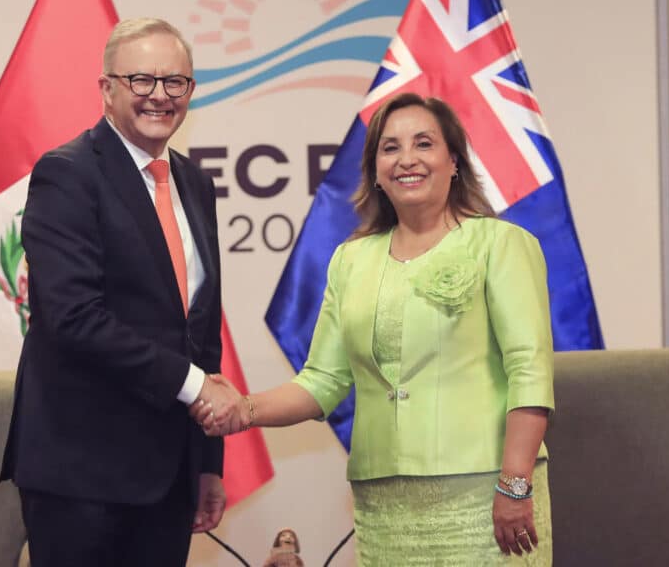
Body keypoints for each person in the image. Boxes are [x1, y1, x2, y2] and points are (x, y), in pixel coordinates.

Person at [197, 93, 555, 565]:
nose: (407, 159)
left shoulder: (501, 244)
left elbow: (529, 372)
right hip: (385, 507)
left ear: (453, 161)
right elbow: (322, 382)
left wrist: (514, 483)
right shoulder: (351, 259)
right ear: (375, 171)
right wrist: (243, 408)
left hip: (485, 496)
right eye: (390, 148)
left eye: (424, 144)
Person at [0, 17, 239, 567]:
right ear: (107, 89)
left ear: (191, 92)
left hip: (167, 475)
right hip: (81, 472)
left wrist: (205, 462)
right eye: (141, 80)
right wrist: (197, 387)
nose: (160, 95)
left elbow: (197, 329)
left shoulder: (194, 183)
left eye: (175, 82)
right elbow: (74, 317)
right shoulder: (67, 174)